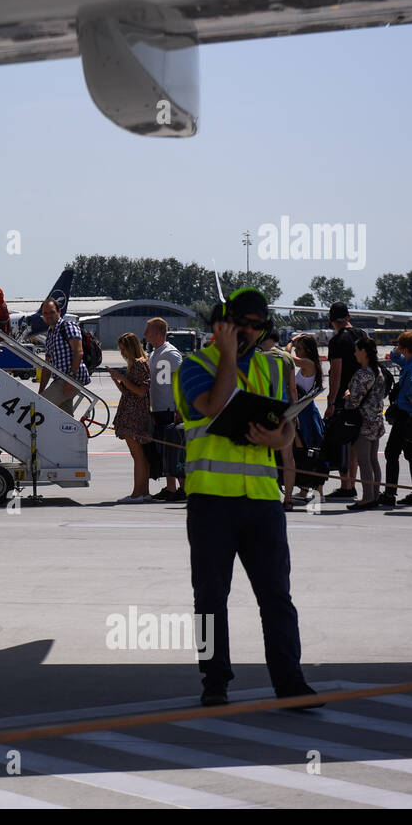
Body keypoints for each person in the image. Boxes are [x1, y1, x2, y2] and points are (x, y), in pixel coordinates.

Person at [171, 288, 320, 709]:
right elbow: (213, 405)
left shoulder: (273, 368)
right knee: (210, 599)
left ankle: (291, 683)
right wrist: (227, 354)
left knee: (276, 596)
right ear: (225, 322)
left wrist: (280, 436)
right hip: (211, 501)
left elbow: (287, 423)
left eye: (258, 325)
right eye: (244, 324)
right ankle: (214, 681)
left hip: (261, 501)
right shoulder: (196, 366)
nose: (252, 332)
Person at [380, 331, 412, 507]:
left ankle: (390, 493)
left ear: (405, 348)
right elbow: (394, 356)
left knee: (391, 452)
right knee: (411, 454)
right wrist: (398, 348)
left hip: (405, 415)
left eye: (400, 345)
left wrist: (410, 397)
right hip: (410, 415)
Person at [342, 337, 388, 509]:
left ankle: (368, 497)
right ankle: (374, 495)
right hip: (376, 420)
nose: (355, 354)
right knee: (373, 460)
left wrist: (347, 395)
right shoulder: (378, 371)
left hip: (363, 422)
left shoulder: (363, 374)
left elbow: (353, 401)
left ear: (363, 352)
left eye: (356, 350)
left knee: (364, 461)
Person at [144, 317, 184, 501]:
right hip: (159, 408)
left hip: (169, 408)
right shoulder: (155, 353)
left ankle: (184, 488)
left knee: (174, 450)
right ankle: (171, 487)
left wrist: (180, 408)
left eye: (148, 330)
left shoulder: (170, 353)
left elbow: (180, 382)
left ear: (159, 333)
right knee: (165, 451)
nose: (145, 334)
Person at [325, 303, 362, 498]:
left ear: (332, 321)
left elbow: (336, 374)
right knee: (357, 442)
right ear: (349, 316)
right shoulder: (362, 335)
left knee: (342, 440)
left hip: (345, 397)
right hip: (364, 395)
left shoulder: (337, 341)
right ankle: (353, 485)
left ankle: (346, 485)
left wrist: (331, 402)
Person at [259, 326, 299, 510]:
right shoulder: (286, 357)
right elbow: (292, 389)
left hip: (265, 413)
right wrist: (295, 413)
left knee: (265, 457)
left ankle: (268, 497)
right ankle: (288, 499)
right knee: (288, 458)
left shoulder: (258, 358)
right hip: (285, 412)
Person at [285, 333, 326, 502]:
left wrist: (291, 341)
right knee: (307, 451)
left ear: (307, 350)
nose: (297, 351)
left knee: (309, 450)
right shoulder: (309, 365)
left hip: (305, 413)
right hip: (305, 410)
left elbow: (286, 356)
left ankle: (317, 493)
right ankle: (306, 490)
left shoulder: (308, 363)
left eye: (300, 348)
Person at [113, 332, 153, 503]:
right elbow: (129, 392)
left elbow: (141, 391)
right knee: (140, 456)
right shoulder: (139, 364)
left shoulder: (138, 364)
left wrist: (122, 378)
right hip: (134, 412)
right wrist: (118, 380)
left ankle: (137, 493)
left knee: (137, 456)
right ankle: (143, 492)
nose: (122, 353)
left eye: (124, 349)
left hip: (133, 415)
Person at [37, 298, 88, 414]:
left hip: (71, 378)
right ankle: (75, 433)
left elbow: (79, 352)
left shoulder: (68, 326)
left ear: (59, 312)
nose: (48, 315)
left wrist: (70, 379)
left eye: (52, 312)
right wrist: (41, 391)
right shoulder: (50, 334)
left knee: (40, 406)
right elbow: (47, 366)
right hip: (60, 380)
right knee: (64, 419)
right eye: (45, 313)